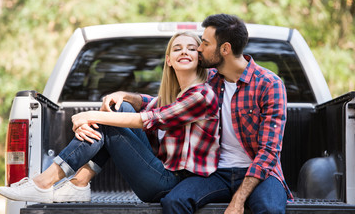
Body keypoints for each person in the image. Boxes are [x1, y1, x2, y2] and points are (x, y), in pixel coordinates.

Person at [0, 31, 220, 204]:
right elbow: (149, 103)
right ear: (169, 60)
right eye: (177, 48)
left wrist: (90, 116)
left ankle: (45, 182)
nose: (184, 52)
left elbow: (151, 118)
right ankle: (78, 183)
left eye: (191, 48)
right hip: (165, 177)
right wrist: (122, 95)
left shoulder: (201, 95)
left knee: (111, 121)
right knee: (120, 108)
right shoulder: (178, 96)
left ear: (199, 58)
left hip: (174, 184)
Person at [102, 14, 293, 213]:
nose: (199, 48)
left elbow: (269, 152)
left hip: (261, 174)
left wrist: (238, 200)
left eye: (204, 43)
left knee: (268, 208)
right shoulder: (208, 79)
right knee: (174, 201)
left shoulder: (269, 85)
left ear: (225, 49)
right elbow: (171, 107)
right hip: (216, 173)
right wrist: (128, 96)